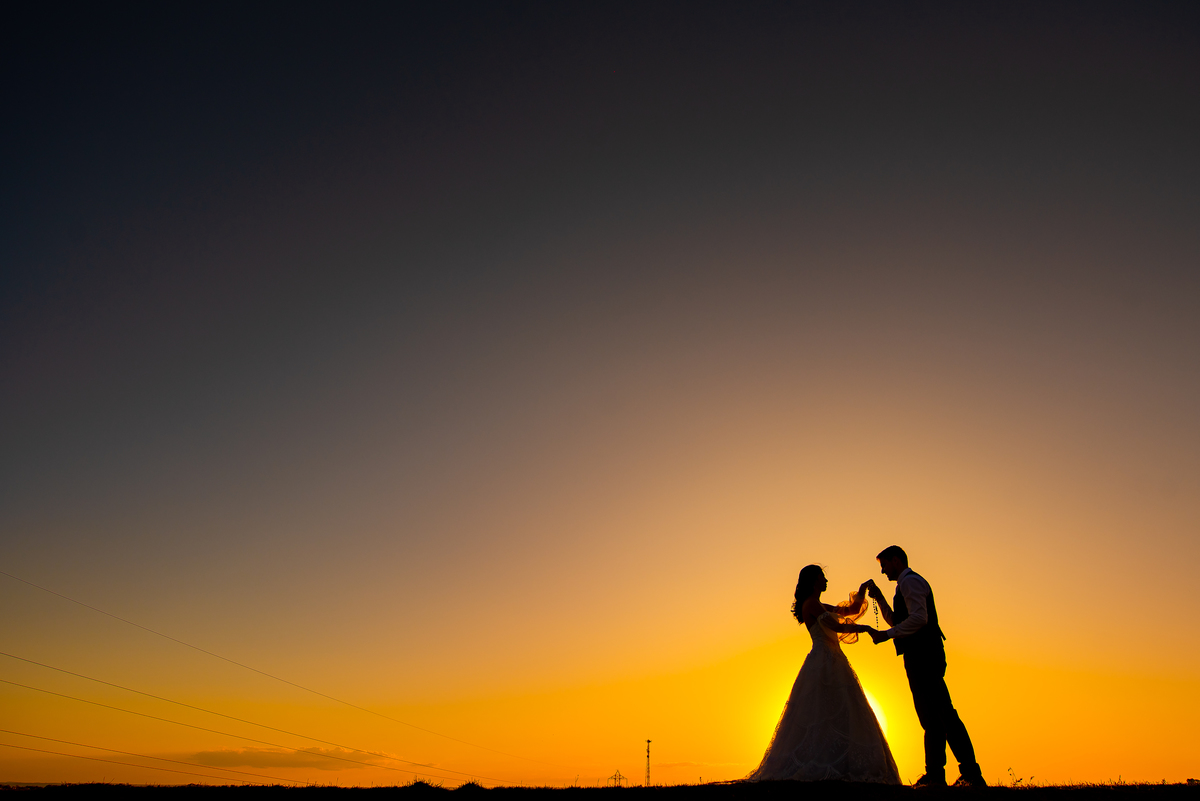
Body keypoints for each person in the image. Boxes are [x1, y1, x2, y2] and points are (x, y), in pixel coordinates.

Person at [746, 565, 901, 784]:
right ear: (813, 581)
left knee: (843, 711)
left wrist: (863, 590)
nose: (826, 580)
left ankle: (842, 762)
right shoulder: (810, 605)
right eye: (822, 577)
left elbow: (849, 611)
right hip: (821, 661)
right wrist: (865, 629)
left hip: (835, 661)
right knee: (821, 711)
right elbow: (835, 625)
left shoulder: (819, 604)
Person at [863, 546, 986, 788]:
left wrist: (887, 635)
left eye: (884, 564)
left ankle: (969, 773)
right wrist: (878, 597)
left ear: (896, 560)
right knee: (932, 717)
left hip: (925, 655)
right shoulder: (903, 586)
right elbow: (900, 620)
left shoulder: (911, 583)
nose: (882, 570)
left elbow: (920, 618)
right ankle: (938, 775)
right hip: (917, 655)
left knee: (944, 714)